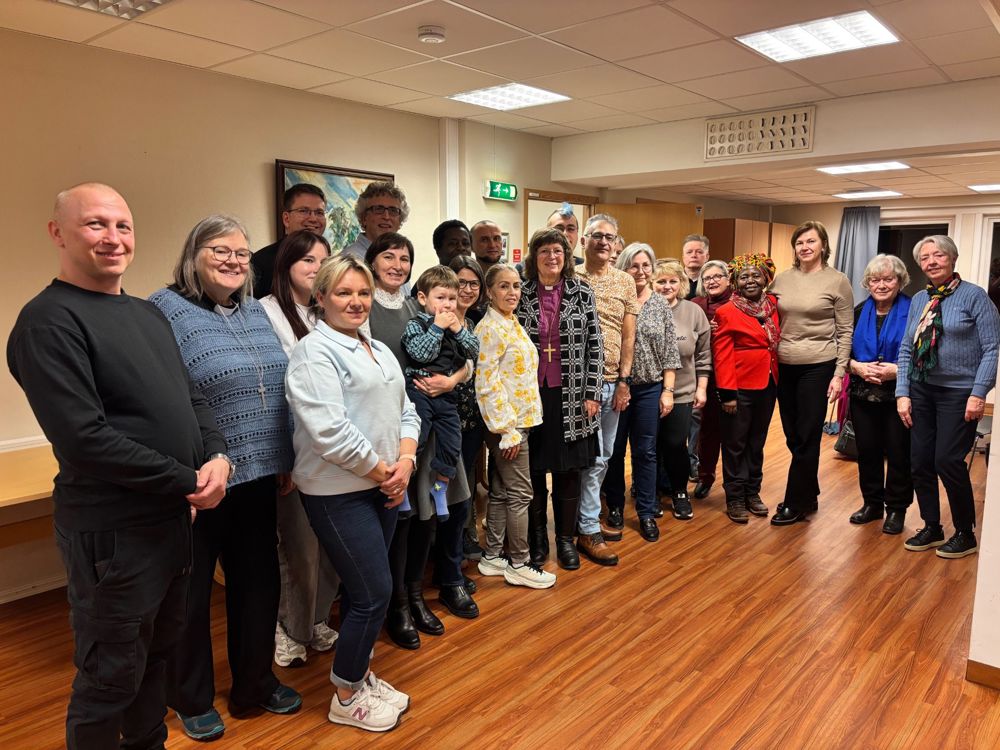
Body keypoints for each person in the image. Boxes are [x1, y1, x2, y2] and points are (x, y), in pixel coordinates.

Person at [7, 183, 230, 750]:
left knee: (155, 658)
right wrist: (188, 481)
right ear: (58, 233)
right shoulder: (48, 322)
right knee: (110, 676)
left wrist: (218, 456)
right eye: (95, 224)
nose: (113, 238)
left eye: (122, 225)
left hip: (171, 522)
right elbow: (85, 441)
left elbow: (192, 396)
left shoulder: (146, 314)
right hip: (113, 533)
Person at [149, 215, 300, 741]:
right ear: (193, 254)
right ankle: (189, 696)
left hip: (258, 473)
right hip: (197, 479)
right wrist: (181, 475)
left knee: (258, 583)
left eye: (241, 252)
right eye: (220, 250)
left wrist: (284, 456)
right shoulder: (165, 309)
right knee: (189, 596)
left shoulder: (254, 310)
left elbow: (276, 389)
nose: (234, 261)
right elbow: (160, 397)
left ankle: (254, 684)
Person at [285, 254, 416, 732]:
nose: (356, 301)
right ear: (320, 297)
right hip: (339, 492)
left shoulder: (376, 348)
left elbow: (407, 410)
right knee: (372, 593)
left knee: (370, 590)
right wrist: (385, 472)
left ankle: (358, 675)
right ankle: (345, 694)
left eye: (363, 292)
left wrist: (406, 461)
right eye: (344, 292)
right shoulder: (313, 352)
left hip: (384, 485)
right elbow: (329, 432)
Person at [364, 234, 473, 649]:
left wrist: (452, 380)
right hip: (390, 427)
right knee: (400, 519)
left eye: (404, 258)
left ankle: (415, 595)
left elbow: (466, 360)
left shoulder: (421, 303)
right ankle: (396, 606)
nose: (397, 264)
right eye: (388, 256)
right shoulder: (364, 306)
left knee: (426, 514)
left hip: (430, 418)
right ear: (372, 262)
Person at [258, 230, 340, 668]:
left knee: (331, 544)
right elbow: (271, 389)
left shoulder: (329, 312)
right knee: (298, 548)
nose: (316, 267)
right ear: (286, 265)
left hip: (336, 449)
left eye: (323, 260)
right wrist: (281, 457)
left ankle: (316, 618)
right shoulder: (264, 313)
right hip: (294, 448)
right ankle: (290, 627)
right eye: (307, 260)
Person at [897, 235, 1000, 558]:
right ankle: (931, 526)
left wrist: (979, 393)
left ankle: (965, 532)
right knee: (920, 461)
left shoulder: (975, 296)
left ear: (952, 258)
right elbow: (906, 347)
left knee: (947, 460)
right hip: (921, 388)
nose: (931, 262)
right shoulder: (920, 299)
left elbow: (992, 348)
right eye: (925, 257)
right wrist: (902, 392)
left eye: (938, 255)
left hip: (959, 393)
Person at [518, 228, 603, 569]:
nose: (551, 257)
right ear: (534, 257)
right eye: (544, 251)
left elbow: (595, 344)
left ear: (567, 256)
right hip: (531, 395)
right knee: (533, 470)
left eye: (557, 251)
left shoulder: (582, 291)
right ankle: (538, 538)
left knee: (569, 472)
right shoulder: (521, 291)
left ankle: (565, 540)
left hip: (573, 395)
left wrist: (593, 392)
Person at [769, 220, 854, 525]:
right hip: (784, 365)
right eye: (800, 242)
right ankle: (809, 490)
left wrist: (839, 373)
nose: (805, 247)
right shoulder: (781, 280)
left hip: (819, 365)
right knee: (793, 435)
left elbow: (845, 330)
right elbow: (766, 316)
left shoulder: (837, 281)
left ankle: (795, 502)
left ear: (823, 246)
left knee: (807, 435)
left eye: (811, 241)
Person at [474, 264, 553, 587]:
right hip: (509, 426)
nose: (512, 292)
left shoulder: (509, 321)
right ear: (489, 291)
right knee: (521, 494)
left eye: (516, 286)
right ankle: (519, 562)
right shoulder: (489, 328)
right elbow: (486, 383)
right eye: (503, 286)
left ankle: (493, 555)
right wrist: (507, 431)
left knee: (503, 491)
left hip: (520, 421)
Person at [604, 244, 680, 542]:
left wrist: (668, 390)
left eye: (646, 265)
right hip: (616, 386)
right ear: (623, 267)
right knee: (613, 450)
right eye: (634, 265)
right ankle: (615, 506)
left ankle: (646, 512)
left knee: (646, 451)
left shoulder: (660, 304)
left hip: (649, 388)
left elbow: (670, 351)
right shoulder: (615, 299)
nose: (640, 271)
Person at [576, 213, 637, 566]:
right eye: (596, 235)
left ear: (616, 244)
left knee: (604, 456)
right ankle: (585, 526)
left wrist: (624, 381)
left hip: (613, 381)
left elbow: (628, 335)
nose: (603, 241)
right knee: (586, 457)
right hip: (578, 384)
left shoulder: (625, 281)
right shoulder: (571, 278)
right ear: (583, 240)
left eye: (609, 237)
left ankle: (586, 520)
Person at [430, 255, 487, 618]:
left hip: (471, 423)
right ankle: (445, 574)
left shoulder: (476, 322)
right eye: (460, 283)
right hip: (442, 423)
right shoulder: (432, 322)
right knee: (444, 500)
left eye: (473, 283)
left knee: (461, 502)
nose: (466, 289)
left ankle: (449, 570)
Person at [401, 266, 480, 519]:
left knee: (452, 441)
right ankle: (403, 485)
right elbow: (421, 354)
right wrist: (436, 328)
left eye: (452, 299)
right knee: (418, 436)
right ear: (423, 298)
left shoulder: (456, 326)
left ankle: (440, 488)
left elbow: (473, 352)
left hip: (447, 397)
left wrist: (458, 330)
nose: (447, 305)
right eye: (440, 298)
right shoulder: (416, 325)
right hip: (419, 391)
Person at [846, 254, 913, 535]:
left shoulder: (914, 310)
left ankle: (896, 508)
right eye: (875, 280)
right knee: (867, 451)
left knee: (899, 453)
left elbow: (924, 352)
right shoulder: (859, 311)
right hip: (863, 393)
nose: (881, 285)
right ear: (867, 283)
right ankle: (872, 504)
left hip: (900, 395)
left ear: (900, 281)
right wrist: (857, 367)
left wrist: (897, 371)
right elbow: (842, 350)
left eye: (888, 279)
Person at [713, 254, 780, 524]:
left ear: (766, 278)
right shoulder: (726, 312)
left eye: (756, 275)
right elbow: (722, 355)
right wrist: (727, 394)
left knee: (757, 442)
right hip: (739, 388)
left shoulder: (773, 306)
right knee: (735, 444)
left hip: (768, 384)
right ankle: (735, 497)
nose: (750, 281)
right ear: (735, 282)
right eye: (744, 277)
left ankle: (753, 492)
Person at [652, 259, 710, 520]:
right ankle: (650, 492)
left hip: (683, 390)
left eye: (672, 281)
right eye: (661, 281)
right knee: (649, 446)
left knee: (675, 444)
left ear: (682, 283)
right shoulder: (644, 308)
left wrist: (702, 388)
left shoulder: (693, 312)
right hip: (648, 391)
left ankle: (679, 492)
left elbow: (704, 354)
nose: (667, 286)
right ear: (652, 283)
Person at [690, 259, 733, 505]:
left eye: (717, 276)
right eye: (707, 278)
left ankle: (734, 483)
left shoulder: (739, 303)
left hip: (733, 374)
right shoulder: (696, 305)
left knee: (734, 432)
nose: (712, 281)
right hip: (705, 374)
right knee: (707, 430)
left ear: (728, 279)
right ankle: (705, 476)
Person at [251, 183, 326, 298]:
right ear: (286, 219)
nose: (313, 218)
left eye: (319, 213)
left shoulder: (331, 262)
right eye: (304, 211)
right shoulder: (260, 263)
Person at [342, 181, 409, 260]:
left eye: (393, 210)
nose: (386, 217)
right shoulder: (350, 260)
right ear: (364, 218)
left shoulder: (401, 257)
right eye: (378, 209)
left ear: (400, 221)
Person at [682, 234, 710, 301]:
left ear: (707, 257)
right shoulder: (673, 280)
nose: (693, 255)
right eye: (689, 252)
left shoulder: (712, 282)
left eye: (699, 252)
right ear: (683, 257)